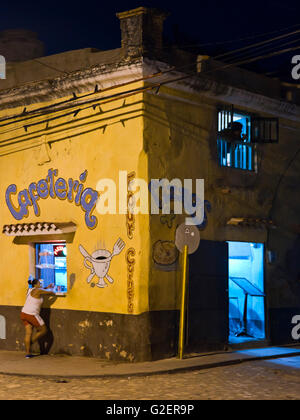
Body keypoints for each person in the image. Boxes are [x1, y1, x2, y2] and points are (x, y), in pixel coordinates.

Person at [20, 278, 56, 358]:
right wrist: (53, 289)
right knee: (44, 330)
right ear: (36, 285)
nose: (40, 285)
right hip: (31, 314)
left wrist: (47, 287)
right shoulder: (38, 290)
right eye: (39, 283)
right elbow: (51, 292)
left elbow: (41, 290)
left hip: (24, 313)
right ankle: (31, 342)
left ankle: (28, 353)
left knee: (28, 333)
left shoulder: (30, 289)